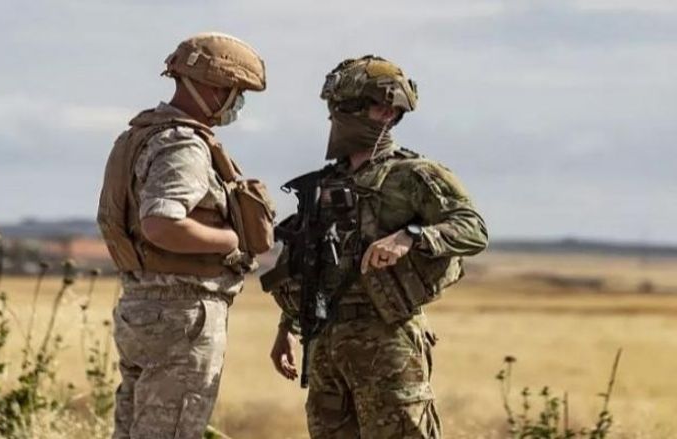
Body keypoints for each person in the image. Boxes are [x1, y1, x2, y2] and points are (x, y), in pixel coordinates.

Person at [265, 55, 488, 438]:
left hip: (387, 338)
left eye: (349, 106)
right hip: (326, 339)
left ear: (387, 111)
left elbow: (473, 229)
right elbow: (310, 261)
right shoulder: (325, 182)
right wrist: (288, 325)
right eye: (336, 106)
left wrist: (411, 236)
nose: (337, 115)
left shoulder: (413, 174)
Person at [97, 32, 272, 439]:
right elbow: (161, 223)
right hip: (182, 314)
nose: (237, 104)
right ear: (215, 88)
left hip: (144, 306)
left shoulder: (140, 136)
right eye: (236, 93)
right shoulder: (183, 146)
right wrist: (229, 241)